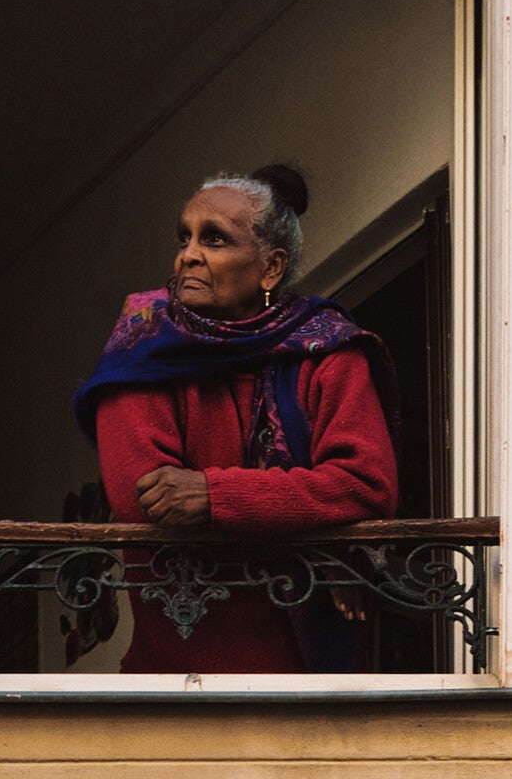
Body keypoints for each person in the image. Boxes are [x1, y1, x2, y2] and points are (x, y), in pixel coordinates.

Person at [72, 164, 400, 675]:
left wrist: (214, 495)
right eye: (184, 237)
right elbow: (145, 498)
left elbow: (365, 484)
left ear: (271, 268)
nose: (188, 255)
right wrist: (317, 528)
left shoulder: (328, 349)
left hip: (305, 677)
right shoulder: (142, 341)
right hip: (176, 677)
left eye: (214, 239)